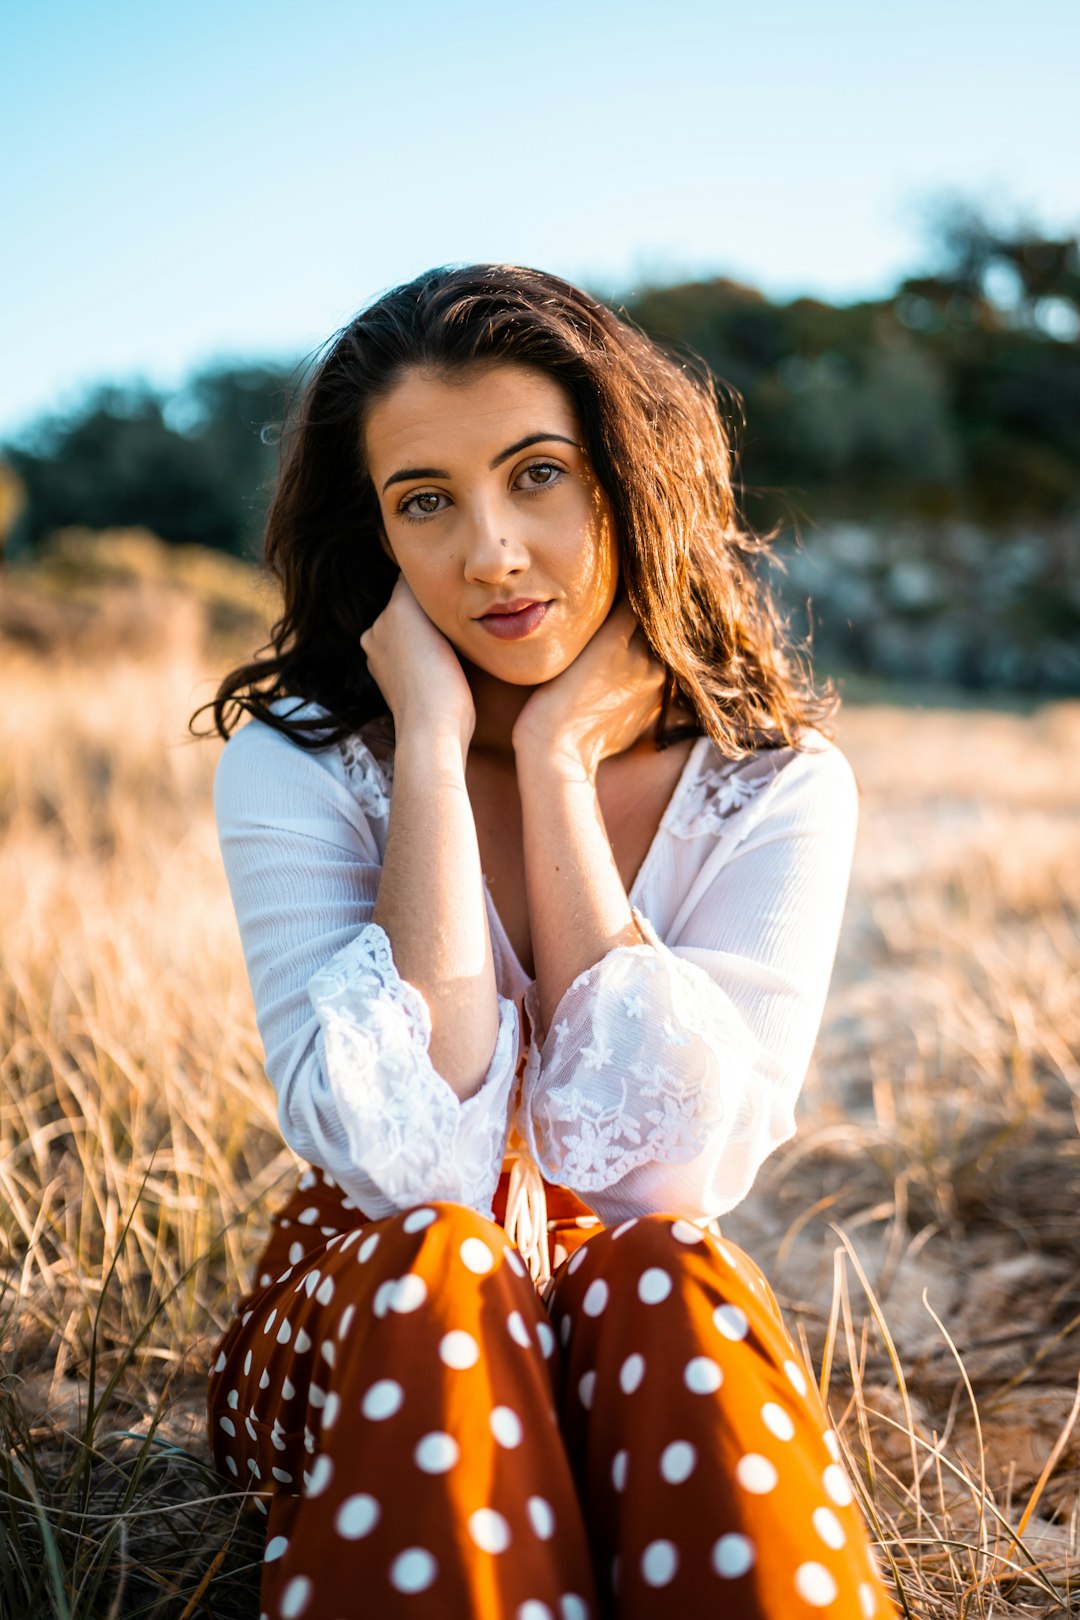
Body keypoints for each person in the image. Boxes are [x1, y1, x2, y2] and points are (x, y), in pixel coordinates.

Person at [200, 263, 896, 1620]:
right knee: (445, 1264)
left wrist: (564, 766)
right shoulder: (304, 760)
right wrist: (432, 746)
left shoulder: (774, 785)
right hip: (378, 1310)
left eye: (538, 476)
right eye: (427, 502)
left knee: (666, 1274)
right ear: (380, 539)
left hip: (634, 1314)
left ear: (630, 481)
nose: (491, 554)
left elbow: (661, 1174)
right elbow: (414, 1161)